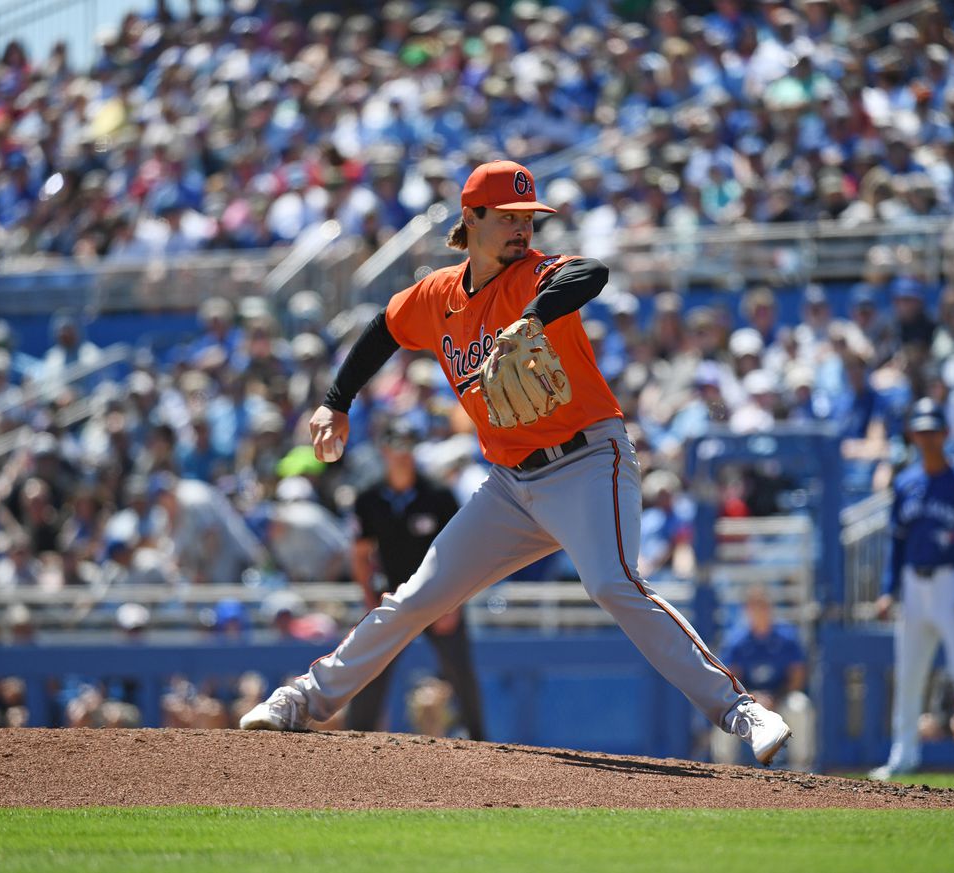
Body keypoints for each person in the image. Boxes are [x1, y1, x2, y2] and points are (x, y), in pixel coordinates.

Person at [242, 160, 791, 766]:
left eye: (528, 218)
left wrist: (531, 318)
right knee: (418, 595)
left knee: (612, 582)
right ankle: (302, 700)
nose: (522, 230)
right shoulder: (437, 296)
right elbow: (383, 328)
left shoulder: (533, 277)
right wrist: (335, 403)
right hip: (510, 484)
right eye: (507, 218)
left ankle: (742, 710)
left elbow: (591, 271)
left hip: (587, 460)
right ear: (470, 218)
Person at [871, 398, 954, 779]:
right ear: (912, 435)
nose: (926, 439)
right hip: (913, 585)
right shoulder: (906, 483)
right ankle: (903, 754)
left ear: (945, 433)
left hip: (951, 584)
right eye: (920, 432)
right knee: (909, 675)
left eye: (932, 431)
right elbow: (896, 544)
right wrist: (888, 589)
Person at [345, 418, 486, 740]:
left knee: (460, 671)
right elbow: (360, 554)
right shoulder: (369, 498)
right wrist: (369, 600)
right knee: (369, 668)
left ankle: (479, 741)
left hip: (438, 594)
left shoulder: (437, 494)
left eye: (409, 445)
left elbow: (462, 552)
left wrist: (455, 603)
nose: (403, 454)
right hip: (393, 594)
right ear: (384, 449)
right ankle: (354, 739)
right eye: (396, 445)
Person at [711, 587, 815, 771]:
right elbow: (730, 680)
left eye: (764, 606)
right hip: (747, 700)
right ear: (747, 610)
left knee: (800, 706)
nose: (760, 611)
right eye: (755, 607)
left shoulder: (786, 637)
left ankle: (801, 769)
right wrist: (753, 698)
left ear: (771, 609)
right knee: (723, 710)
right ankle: (724, 769)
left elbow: (797, 678)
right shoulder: (737, 640)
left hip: (781, 697)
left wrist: (775, 697)